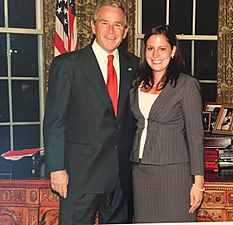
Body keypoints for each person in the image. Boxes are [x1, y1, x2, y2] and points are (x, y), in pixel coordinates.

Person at [43, 1, 139, 224]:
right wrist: (56, 168)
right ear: (93, 26)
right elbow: (55, 122)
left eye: (117, 25)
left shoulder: (134, 65)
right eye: (105, 23)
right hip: (79, 177)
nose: (111, 31)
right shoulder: (68, 65)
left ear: (125, 32)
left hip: (120, 180)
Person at [129, 24, 205, 223]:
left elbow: (195, 136)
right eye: (150, 48)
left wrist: (198, 182)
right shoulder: (136, 83)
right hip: (141, 173)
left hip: (174, 174)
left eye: (162, 48)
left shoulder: (186, 85)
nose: (155, 54)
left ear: (173, 51)